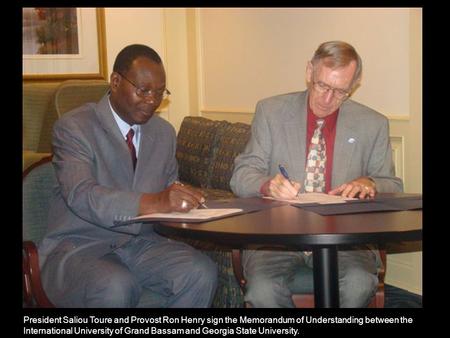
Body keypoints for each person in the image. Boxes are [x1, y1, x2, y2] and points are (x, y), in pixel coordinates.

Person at [38, 44, 218, 308]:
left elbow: (167, 185)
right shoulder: (74, 127)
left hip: (142, 244)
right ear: (115, 81)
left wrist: (185, 198)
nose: (152, 101)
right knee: (116, 284)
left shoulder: (163, 133)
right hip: (80, 246)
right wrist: (156, 201)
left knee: (200, 271)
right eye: (143, 90)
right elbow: (81, 194)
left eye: (159, 93)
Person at [230, 41, 403, 307]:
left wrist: (370, 183)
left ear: (354, 86)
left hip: (345, 241)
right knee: (263, 289)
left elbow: (393, 185)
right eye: (322, 85)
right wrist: (268, 186)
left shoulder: (373, 124)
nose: (327, 99)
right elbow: (241, 174)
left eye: (340, 91)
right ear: (309, 71)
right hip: (277, 239)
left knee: (359, 283)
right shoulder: (271, 111)